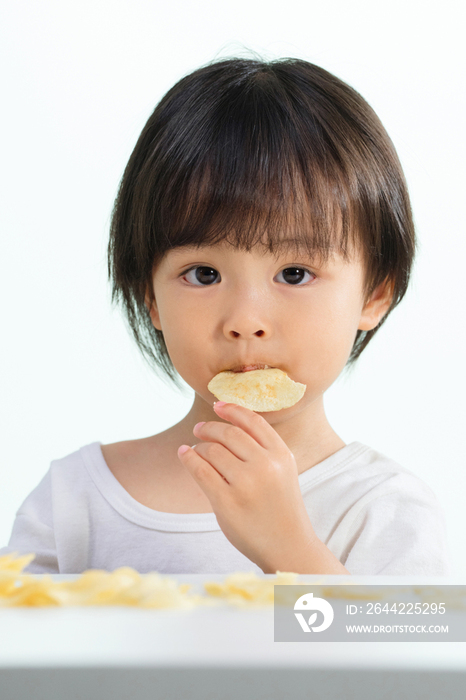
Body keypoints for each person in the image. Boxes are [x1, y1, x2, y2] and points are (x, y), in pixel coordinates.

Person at [0, 56, 450, 576]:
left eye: (296, 274)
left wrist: (290, 548)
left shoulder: (385, 508)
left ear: (374, 295)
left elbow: (405, 654)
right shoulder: (74, 500)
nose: (245, 320)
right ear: (150, 295)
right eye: (204, 275)